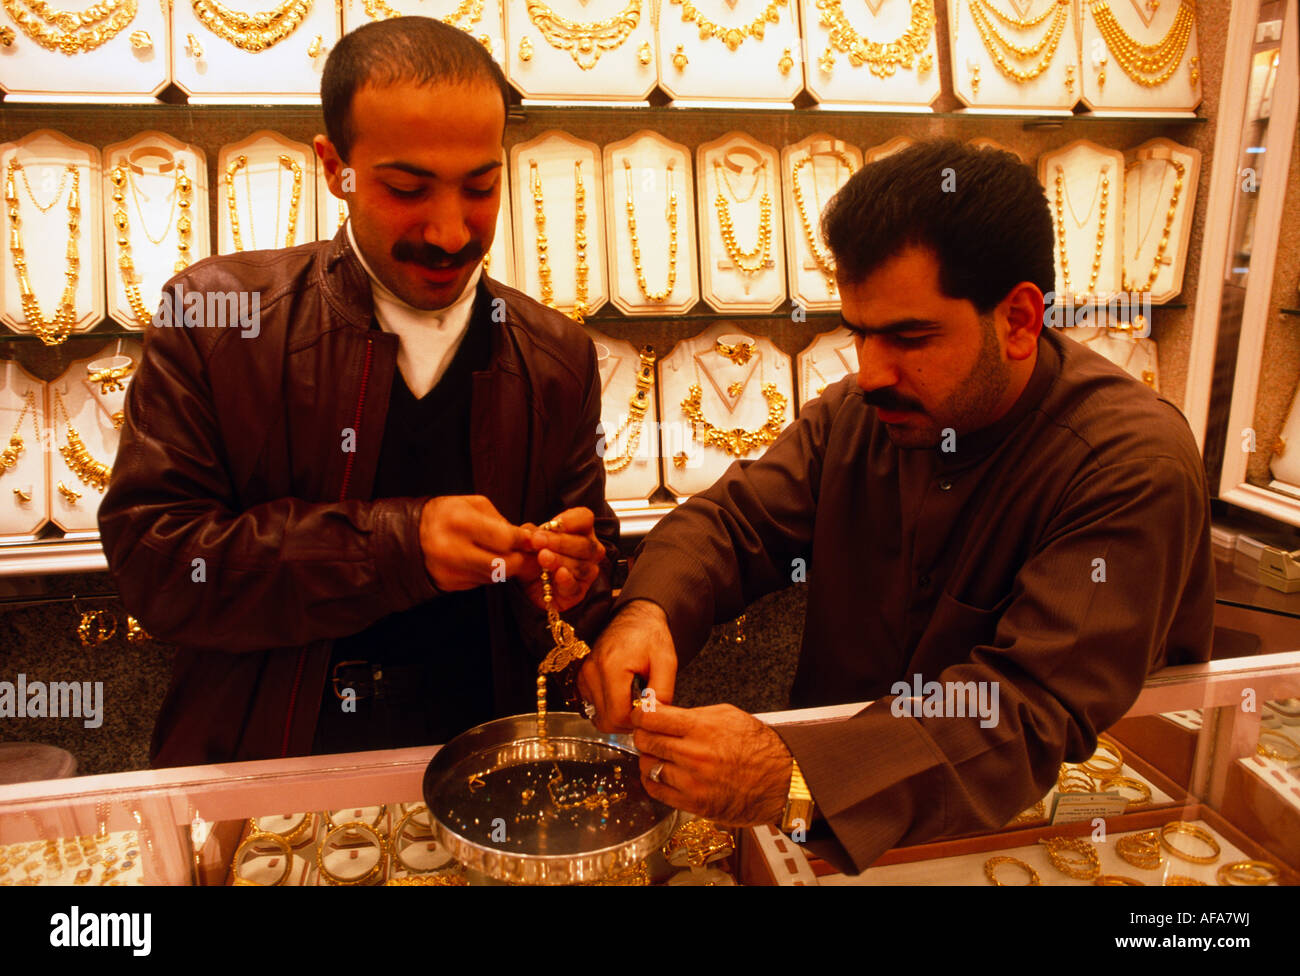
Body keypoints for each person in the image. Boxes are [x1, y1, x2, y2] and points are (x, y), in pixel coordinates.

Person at [579, 140, 1215, 872]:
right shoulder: (861, 413)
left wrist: (792, 773)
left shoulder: (1129, 465)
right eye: (859, 334)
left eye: (910, 337)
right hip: (833, 833)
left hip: (1046, 835)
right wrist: (648, 610)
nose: (869, 373)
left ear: (1017, 320)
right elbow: (736, 521)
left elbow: (1028, 708)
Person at [98, 17, 616, 768]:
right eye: (407, 189)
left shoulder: (556, 354)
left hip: (495, 771)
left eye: (481, 187)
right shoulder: (217, 318)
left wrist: (575, 571)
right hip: (272, 776)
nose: (449, 233)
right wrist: (396, 547)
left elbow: (589, 569)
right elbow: (158, 566)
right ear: (333, 166)